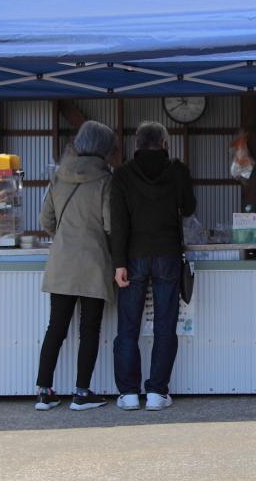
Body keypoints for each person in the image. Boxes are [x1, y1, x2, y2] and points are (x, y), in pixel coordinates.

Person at [110, 120, 196, 411]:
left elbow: (118, 222)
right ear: (164, 143)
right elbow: (190, 207)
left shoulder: (121, 174)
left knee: (128, 326)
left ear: (137, 144)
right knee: (164, 325)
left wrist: (119, 263)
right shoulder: (177, 170)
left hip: (133, 257)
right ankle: (158, 392)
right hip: (167, 254)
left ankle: (129, 393)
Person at [35, 121, 117, 411]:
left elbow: (45, 219)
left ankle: (44, 392)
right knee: (89, 328)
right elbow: (110, 223)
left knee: (55, 328)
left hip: (62, 262)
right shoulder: (106, 180)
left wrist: (65, 236)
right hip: (93, 261)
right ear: (106, 148)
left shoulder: (59, 176)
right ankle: (82, 393)